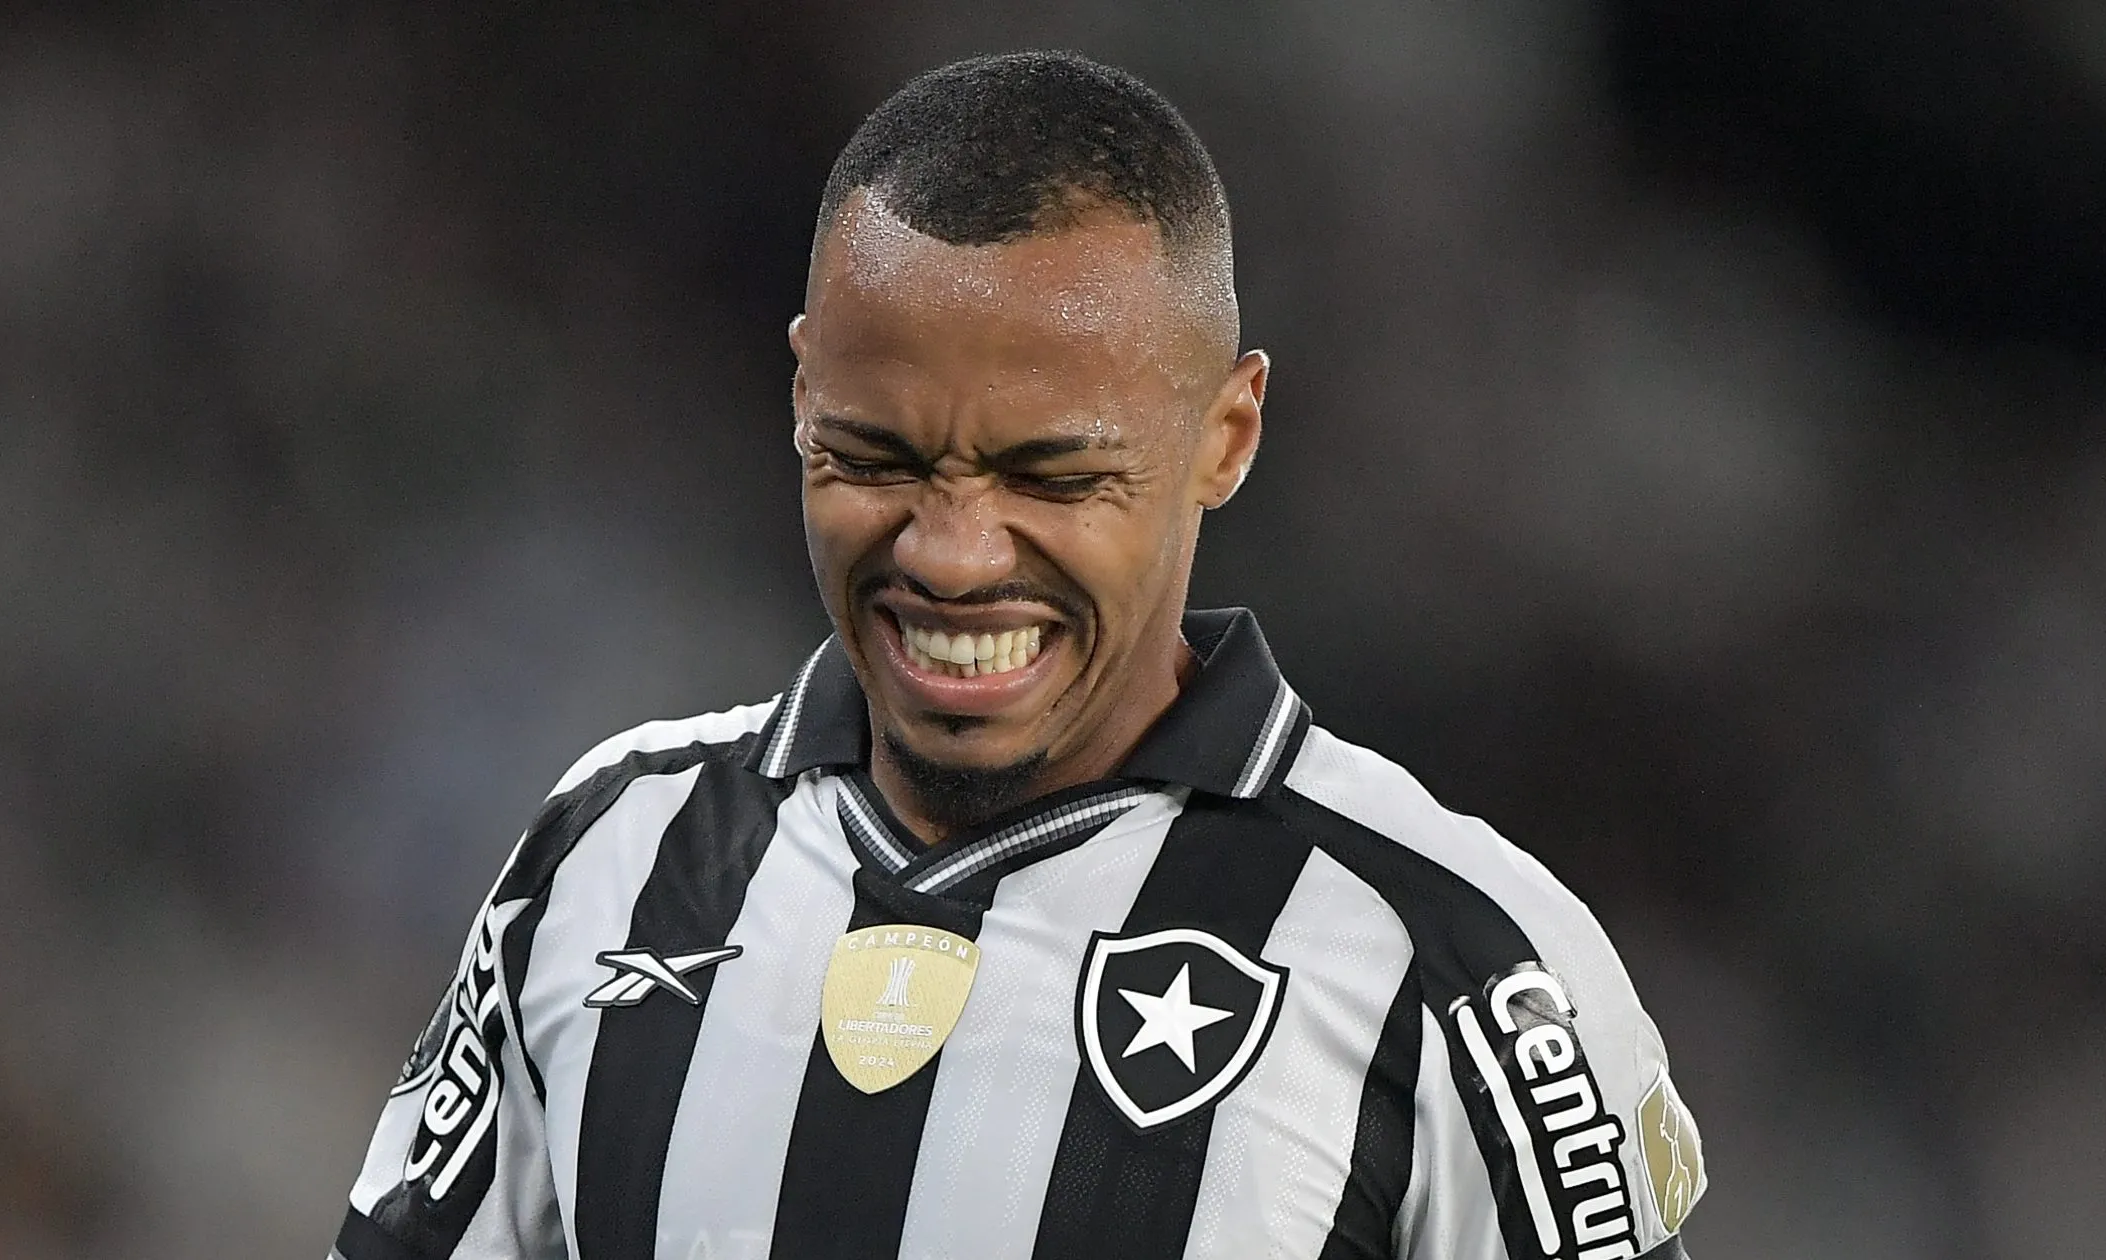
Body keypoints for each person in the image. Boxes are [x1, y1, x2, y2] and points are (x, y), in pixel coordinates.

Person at [331, 50, 1706, 1260]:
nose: (952, 551)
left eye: (1051, 477)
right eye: (873, 458)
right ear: (803, 391)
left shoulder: (1456, 966)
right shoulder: (611, 859)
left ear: (1224, 437)